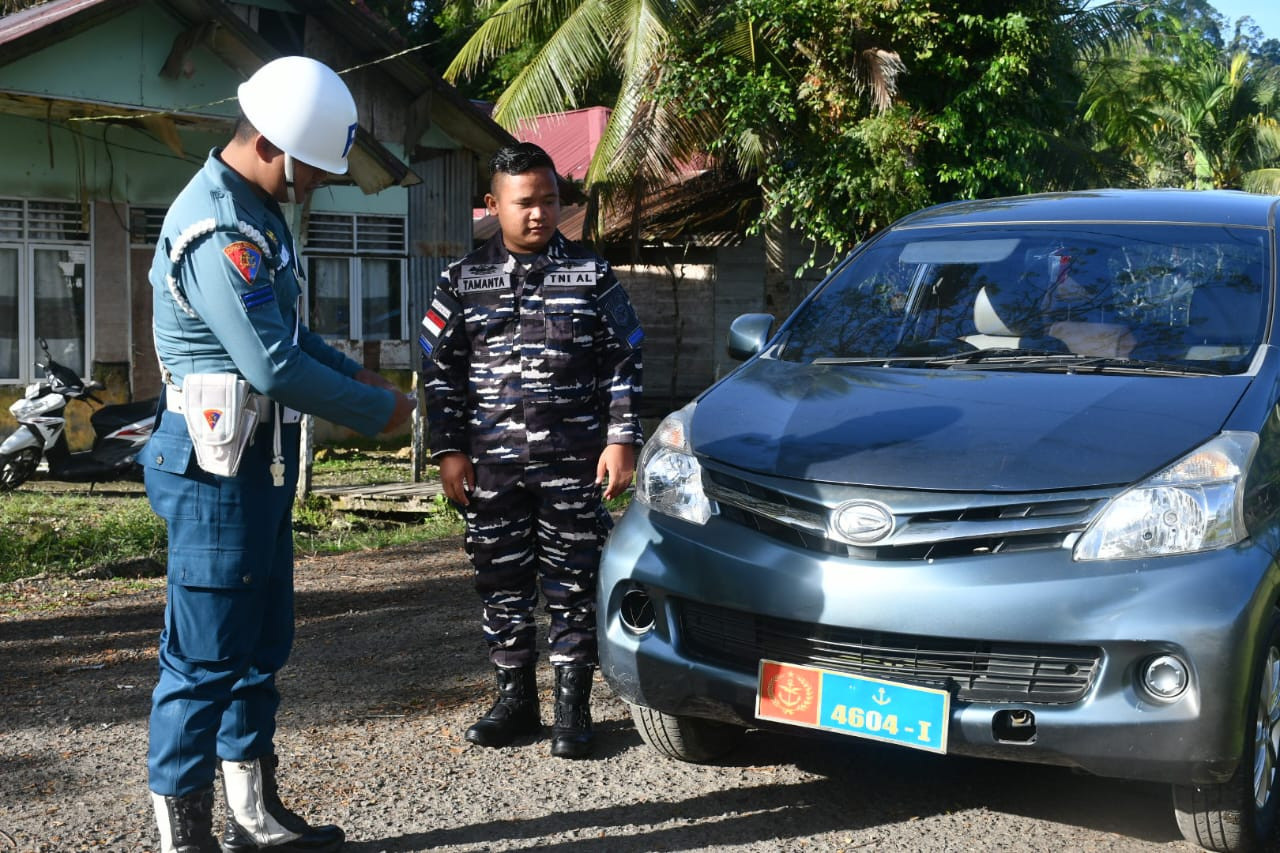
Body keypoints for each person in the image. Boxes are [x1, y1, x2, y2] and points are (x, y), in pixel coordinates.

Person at [143, 56, 415, 853]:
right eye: (308, 167)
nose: (313, 184)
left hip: (254, 464)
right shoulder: (217, 226)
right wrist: (376, 414)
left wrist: (357, 373)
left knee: (259, 646)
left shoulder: (255, 212)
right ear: (268, 143)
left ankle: (253, 818)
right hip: (211, 472)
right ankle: (183, 839)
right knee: (202, 660)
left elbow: (290, 338)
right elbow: (270, 366)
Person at [420, 141, 643, 759]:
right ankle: (514, 702)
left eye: (549, 200)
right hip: (490, 465)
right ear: (493, 205)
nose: (540, 213)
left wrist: (622, 439)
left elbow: (623, 360)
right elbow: (441, 374)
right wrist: (448, 451)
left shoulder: (592, 275)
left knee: (575, 582)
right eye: (525, 202)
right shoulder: (463, 281)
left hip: (575, 464)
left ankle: (573, 708)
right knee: (500, 582)